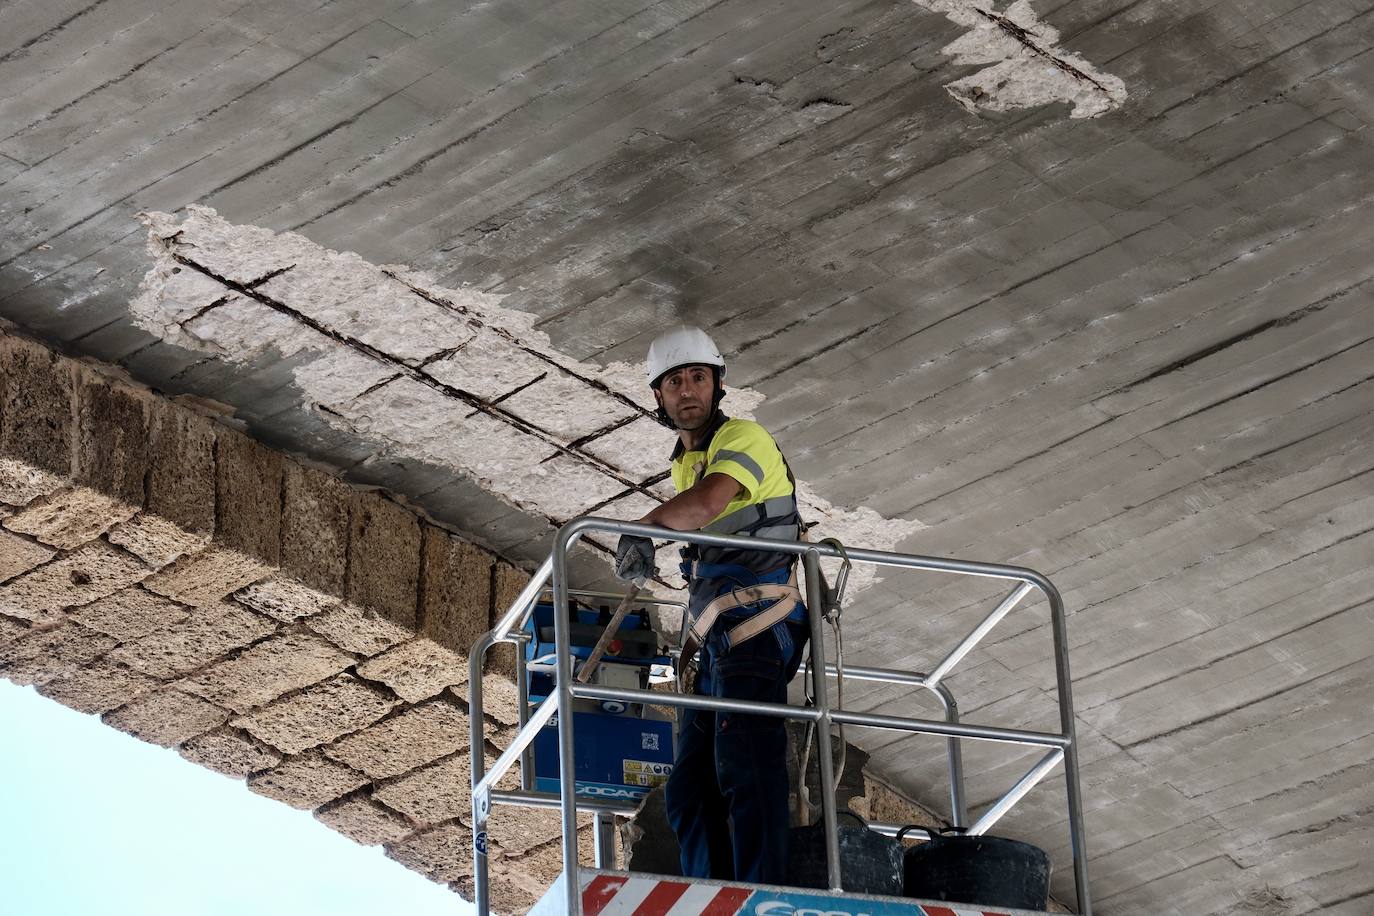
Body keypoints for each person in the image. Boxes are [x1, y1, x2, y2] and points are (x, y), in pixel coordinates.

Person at [614, 325, 809, 885]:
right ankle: (712, 895)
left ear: (718, 384)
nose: (687, 390)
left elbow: (707, 506)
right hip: (716, 647)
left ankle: (757, 894)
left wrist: (640, 528)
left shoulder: (743, 437)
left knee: (746, 768)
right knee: (689, 791)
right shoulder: (685, 463)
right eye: (674, 382)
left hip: (756, 629)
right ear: (658, 395)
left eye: (698, 377)